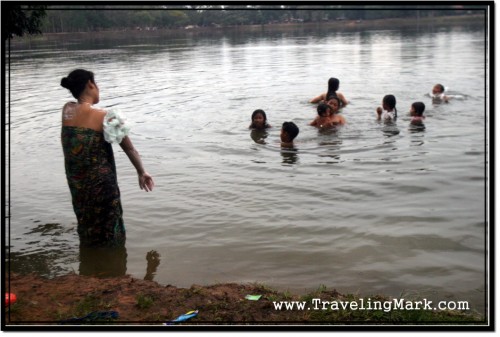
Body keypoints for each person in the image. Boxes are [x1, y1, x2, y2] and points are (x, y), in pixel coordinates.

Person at [60, 69, 154, 247]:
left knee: (87, 225)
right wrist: (142, 172)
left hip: (78, 186)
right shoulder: (106, 117)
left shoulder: (67, 110)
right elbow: (130, 150)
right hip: (102, 187)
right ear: (90, 85)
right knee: (110, 231)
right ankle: (115, 266)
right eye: (97, 84)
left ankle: (91, 266)